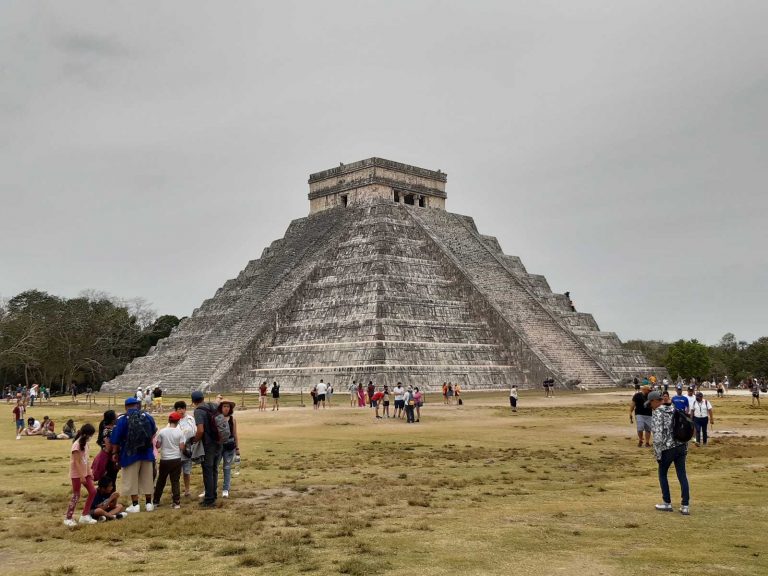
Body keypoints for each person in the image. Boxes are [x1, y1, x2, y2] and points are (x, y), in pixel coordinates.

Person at [110, 397, 157, 513]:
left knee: (131, 479)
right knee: (147, 478)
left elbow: (115, 439)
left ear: (126, 407)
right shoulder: (147, 416)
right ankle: (148, 503)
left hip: (129, 453)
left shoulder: (122, 419)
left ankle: (135, 504)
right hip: (146, 452)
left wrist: (115, 453)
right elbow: (153, 431)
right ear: (137, 405)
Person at [647, 391, 690, 515]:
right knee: (682, 475)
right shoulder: (674, 409)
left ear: (655, 401)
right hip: (681, 446)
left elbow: (658, 436)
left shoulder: (657, 413)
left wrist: (657, 454)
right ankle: (685, 505)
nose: (650, 406)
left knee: (662, 474)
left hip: (667, 448)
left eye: (650, 403)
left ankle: (667, 503)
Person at [64, 423, 98, 526]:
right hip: (76, 474)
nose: (91, 437)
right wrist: (81, 476)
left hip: (85, 473)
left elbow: (86, 460)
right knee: (76, 495)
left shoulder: (86, 445)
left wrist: (89, 473)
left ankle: (85, 515)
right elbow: (76, 462)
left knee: (92, 491)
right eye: (90, 435)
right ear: (86, 434)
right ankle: (68, 518)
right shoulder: (76, 445)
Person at [192, 391, 222, 508]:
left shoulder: (198, 411)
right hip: (219, 441)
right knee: (214, 469)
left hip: (208, 444)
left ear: (193, 401)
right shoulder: (213, 406)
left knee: (207, 471)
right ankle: (213, 495)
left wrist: (195, 440)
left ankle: (209, 499)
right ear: (203, 398)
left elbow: (200, 430)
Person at [152, 412, 185, 509]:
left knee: (161, 480)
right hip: (176, 459)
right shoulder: (180, 432)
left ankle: (156, 501)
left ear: (169, 420)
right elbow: (182, 447)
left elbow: (157, 445)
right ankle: (176, 502)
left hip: (165, 459)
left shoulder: (162, 431)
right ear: (178, 421)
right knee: (175, 481)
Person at [174, 400, 197, 497]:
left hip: (188, 448)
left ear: (185, 409)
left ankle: (187, 490)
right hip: (177, 450)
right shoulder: (174, 420)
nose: (181, 411)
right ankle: (176, 491)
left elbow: (195, 431)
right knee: (176, 473)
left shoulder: (191, 419)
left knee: (187, 471)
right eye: (178, 409)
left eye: (182, 408)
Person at [218, 400, 239, 499]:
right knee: (215, 467)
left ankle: (226, 489)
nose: (226, 408)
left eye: (228, 406)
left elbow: (235, 434)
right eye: (224, 406)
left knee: (227, 467)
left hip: (229, 445)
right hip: (218, 445)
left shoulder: (232, 419)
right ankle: (210, 488)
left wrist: (237, 447)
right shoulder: (216, 418)